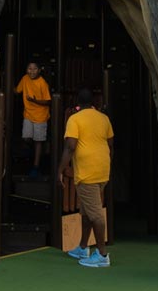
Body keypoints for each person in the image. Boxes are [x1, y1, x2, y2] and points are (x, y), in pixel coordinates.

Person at [59, 88, 114, 268]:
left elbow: (70, 146)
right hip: (102, 169)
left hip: (87, 171)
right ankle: (83, 247)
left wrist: (61, 169)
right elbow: (110, 143)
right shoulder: (103, 118)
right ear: (93, 103)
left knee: (96, 214)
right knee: (86, 210)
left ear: (77, 104)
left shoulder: (74, 119)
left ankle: (102, 254)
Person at [14, 62, 52, 175]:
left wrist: (34, 101)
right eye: (29, 68)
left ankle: (36, 166)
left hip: (41, 117)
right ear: (26, 70)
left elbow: (48, 101)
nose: (32, 71)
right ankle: (38, 150)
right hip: (28, 115)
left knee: (38, 142)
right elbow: (17, 91)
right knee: (26, 138)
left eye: (35, 68)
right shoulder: (25, 79)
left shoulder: (42, 83)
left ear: (39, 70)